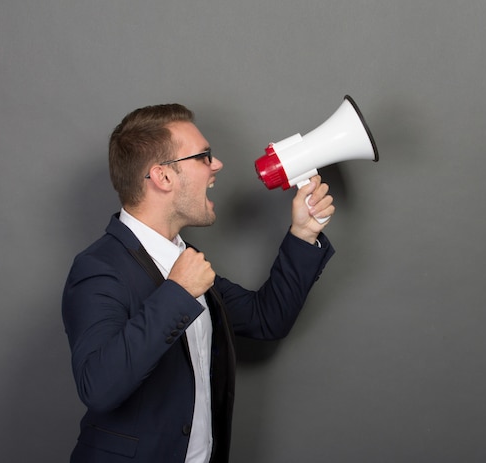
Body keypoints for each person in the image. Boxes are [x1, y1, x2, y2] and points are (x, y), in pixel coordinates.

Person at [62, 103, 335, 463]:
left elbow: (267, 318)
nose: (217, 164)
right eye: (204, 156)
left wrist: (303, 234)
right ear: (162, 177)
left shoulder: (183, 259)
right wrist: (176, 293)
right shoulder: (98, 268)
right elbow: (98, 387)